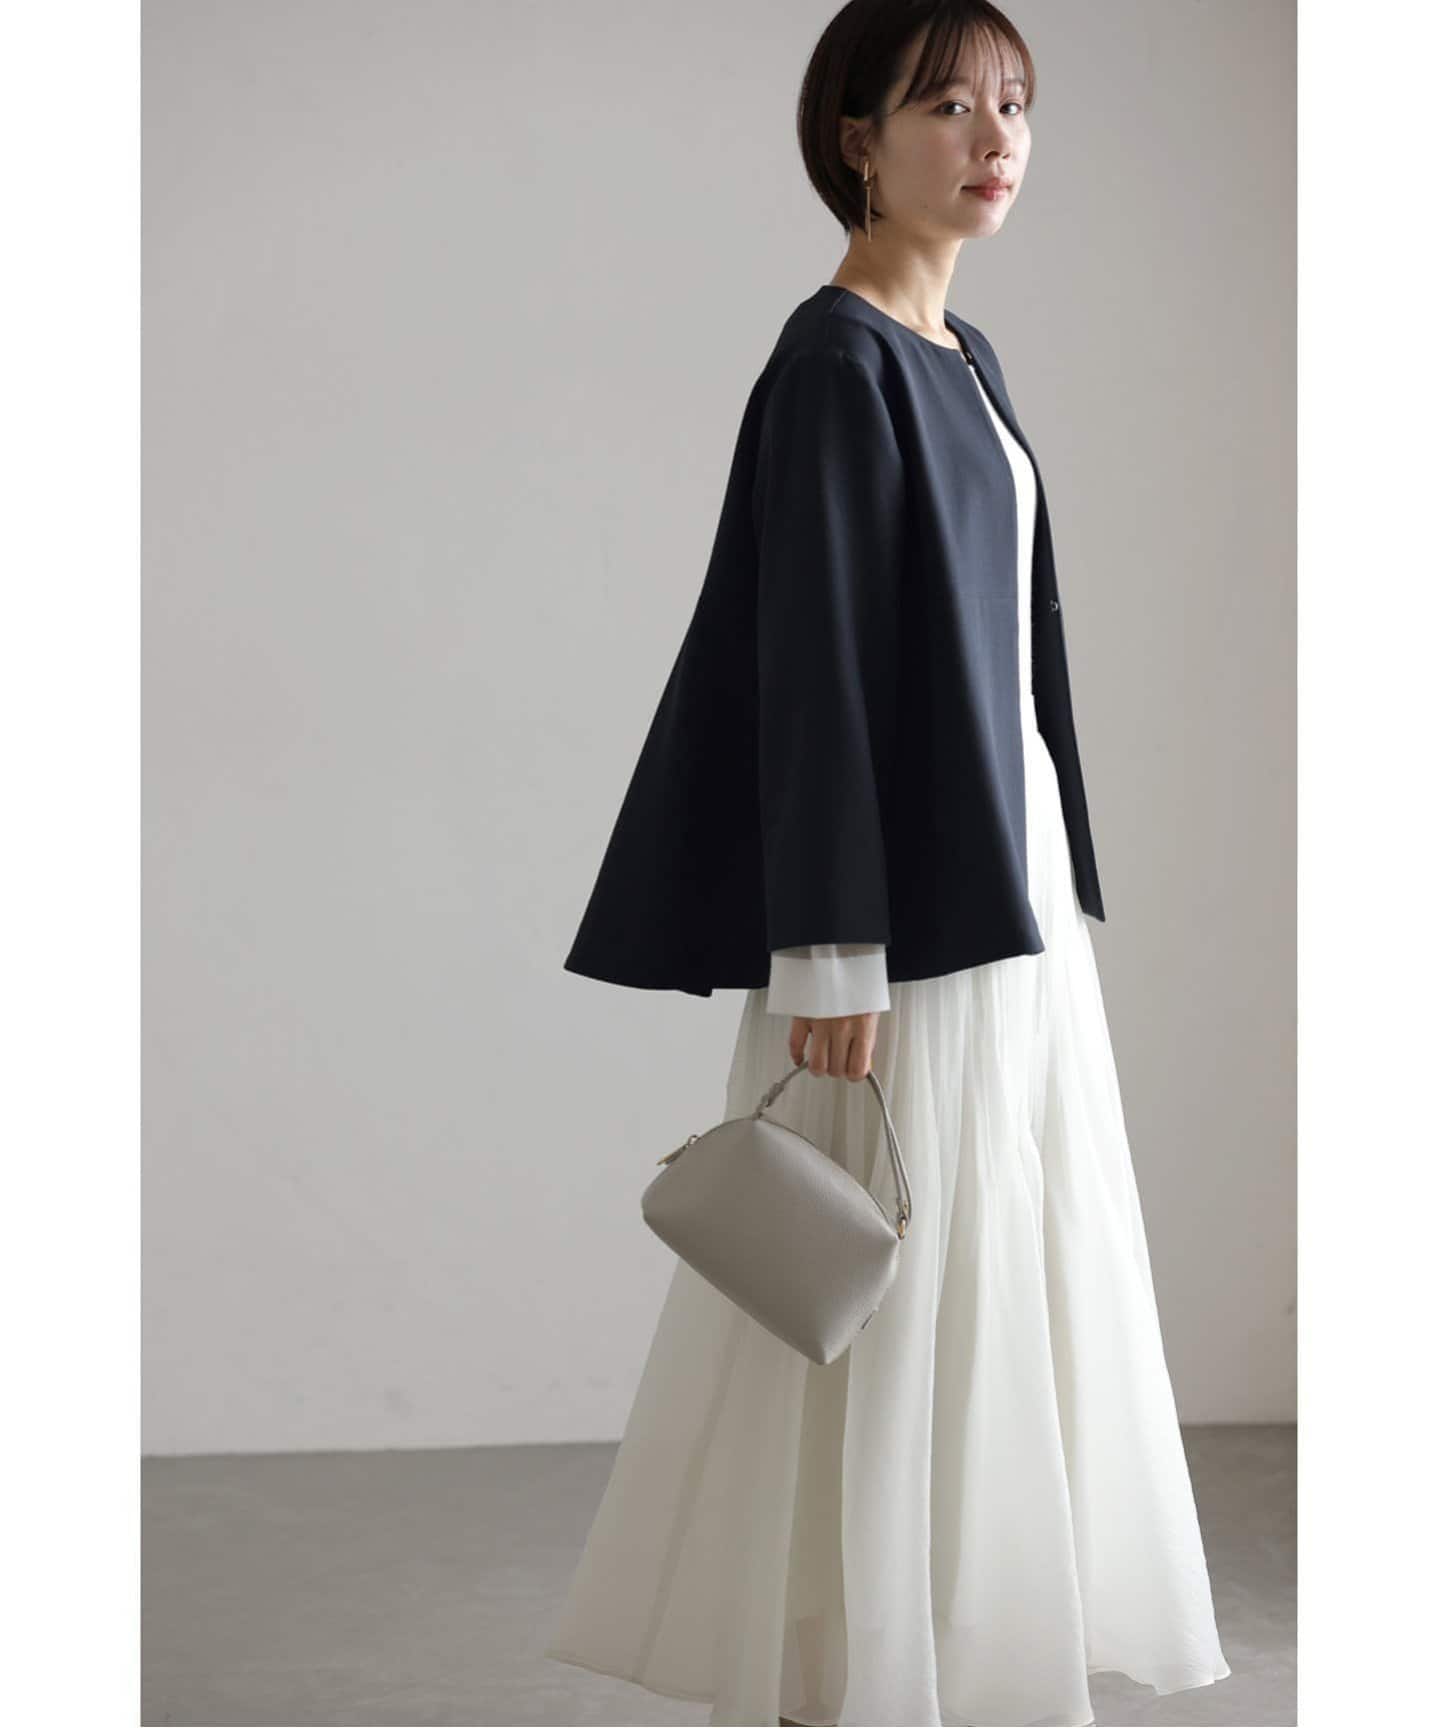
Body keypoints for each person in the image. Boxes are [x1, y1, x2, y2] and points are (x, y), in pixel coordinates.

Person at [544, 3, 1231, 1723]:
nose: (995, 141)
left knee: (988, 1262)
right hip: (899, 921)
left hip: (1006, 890)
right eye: (946, 107)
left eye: (1015, 106)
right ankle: (846, 1674)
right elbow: (818, 673)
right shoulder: (833, 363)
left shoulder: (963, 354)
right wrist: (828, 951)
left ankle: (946, 1654)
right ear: (857, 139)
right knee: (884, 1277)